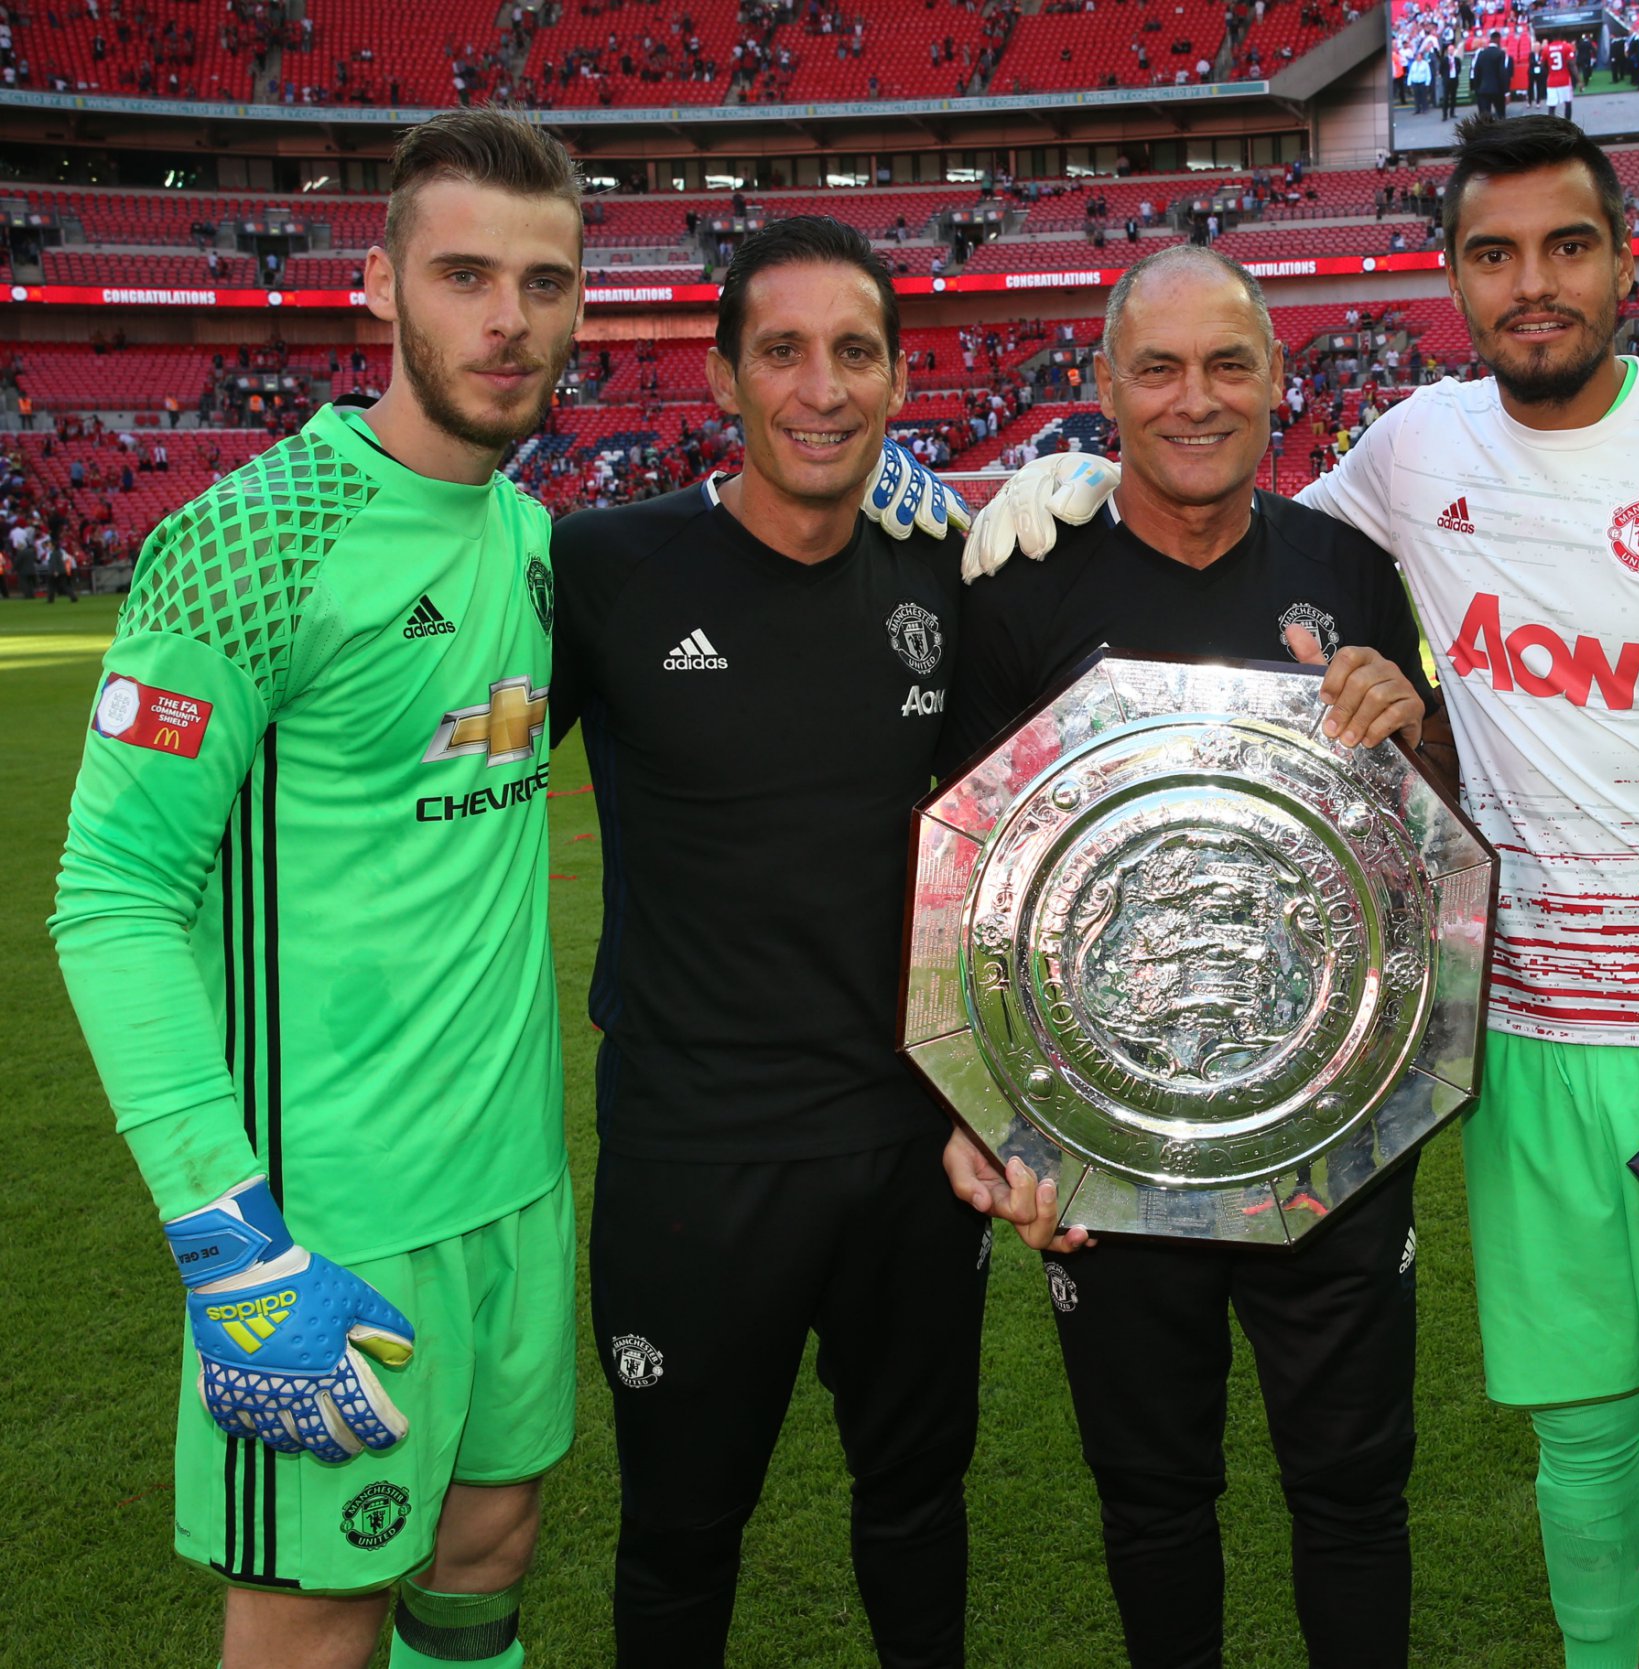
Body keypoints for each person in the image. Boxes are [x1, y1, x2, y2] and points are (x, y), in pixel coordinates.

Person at [963, 115, 1639, 1669]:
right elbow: (1226, 507)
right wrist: (1064, 471)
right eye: (1496, 253)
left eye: (1567, 247)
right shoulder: (1415, 453)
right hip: (1514, 1046)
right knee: (1580, 1444)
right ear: (1453, 276)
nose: (1535, 285)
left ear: (1622, 258)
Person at [50, 108, 589, 1669]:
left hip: (519, 1192)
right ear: (379, 285)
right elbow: (111, 892)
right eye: (466, 272)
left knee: (489, 1549)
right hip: (329, 1219)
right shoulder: (247, 544)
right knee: (310, 1620)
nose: (506, 319)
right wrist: (231, 1236)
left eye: (544, 282)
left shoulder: (539, 538)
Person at [937, 243, 1438, 1669]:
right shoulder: (1023, 582)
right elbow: (953, 860)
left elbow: (1425, 842)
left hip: (1330, 1128)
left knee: (1353, 1489)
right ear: (1104, 387)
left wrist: (1410, 720)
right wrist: (994, 1113)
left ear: (1281, 378)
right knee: (1154, 1497)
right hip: (1112, 1137)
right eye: (1156, 367)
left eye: (1228, 363)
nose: (1194, 399)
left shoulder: (1347, 566)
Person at [549, 216, 981, 1669]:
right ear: (722, 374)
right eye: (782, 351)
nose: (821, 385)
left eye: (855, 351)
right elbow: (435, 771)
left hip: (909, 1149)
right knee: (679, 1529)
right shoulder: (606, 570)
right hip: (693, 1153)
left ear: (901, 379)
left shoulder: (947, 582)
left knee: (918, 1504)